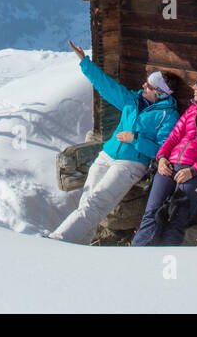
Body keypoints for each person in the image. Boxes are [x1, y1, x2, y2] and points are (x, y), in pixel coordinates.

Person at [49, 41, 181, 244]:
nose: (143, 85)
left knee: (96, 202)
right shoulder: (133, 100)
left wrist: (136, 139)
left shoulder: (168, 116)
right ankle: (77, 248)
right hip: (107, 155)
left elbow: (162, 150)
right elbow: (106, 86)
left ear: (159, 93)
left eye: (149, 85)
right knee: (87, 202)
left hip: (130, 164)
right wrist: (84, 61)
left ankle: (57, 241)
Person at [131, 69, 197, 246]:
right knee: (151, 213)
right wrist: (163, 158)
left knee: (175, 220)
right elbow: (173, 137)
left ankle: (166, 264)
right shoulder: (191, 111)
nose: (193, 87)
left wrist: (194, 170)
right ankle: (139, 255)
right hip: (170, 166)